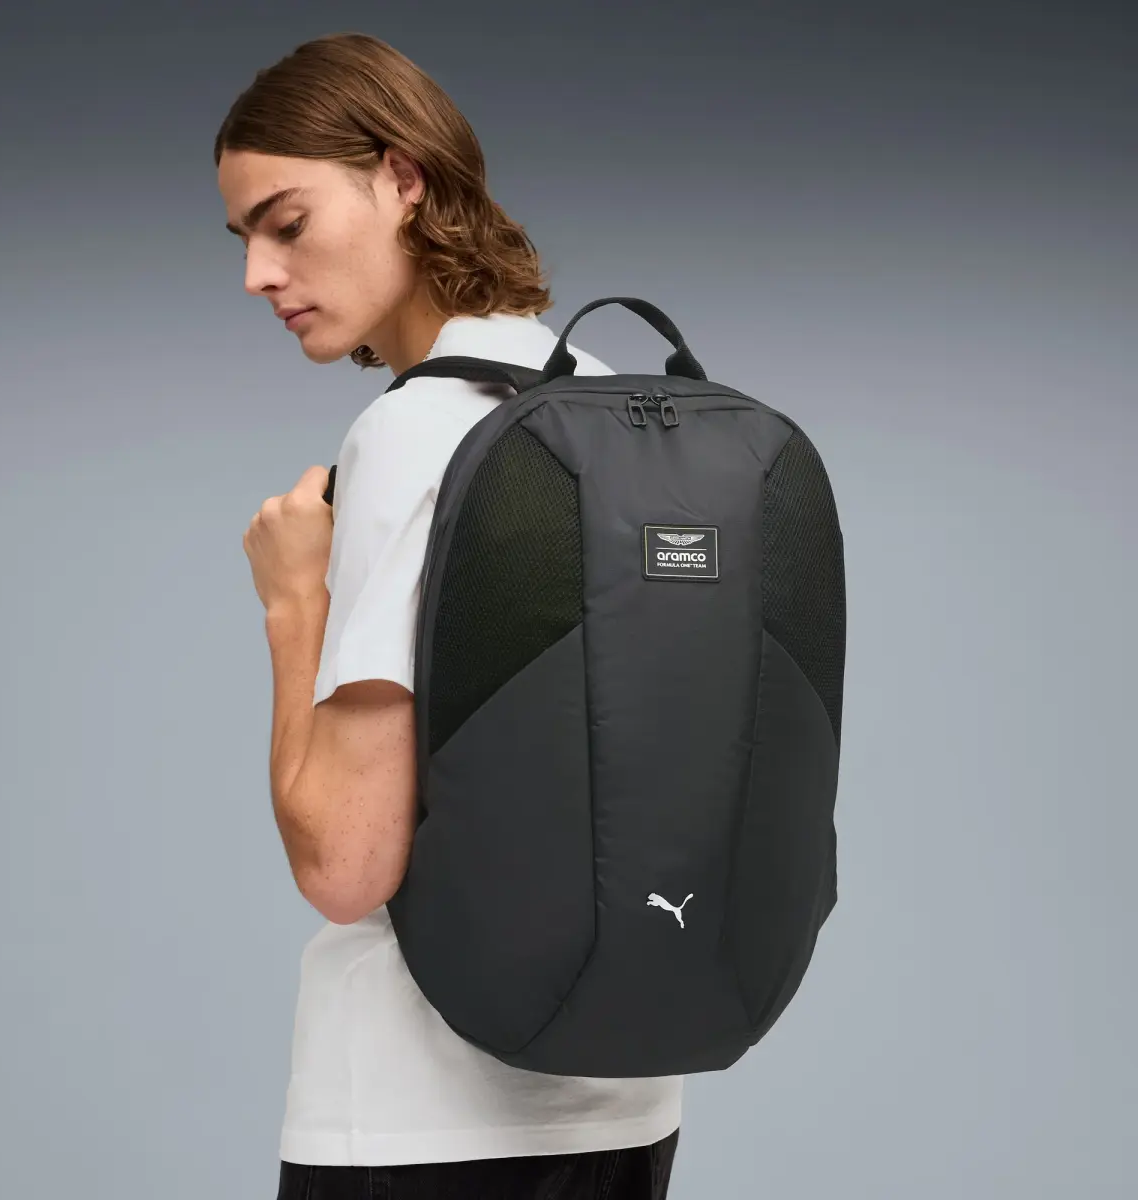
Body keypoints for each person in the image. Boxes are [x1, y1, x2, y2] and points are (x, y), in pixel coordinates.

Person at [216, 32, 682, 1200]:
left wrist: (293, 604)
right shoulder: (608, 402)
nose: (258, 275)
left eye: (286, 223)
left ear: (402, 178)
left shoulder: (415, 432)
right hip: (629, 1100)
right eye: (244, 240)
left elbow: (346, 863)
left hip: (417, 1117)